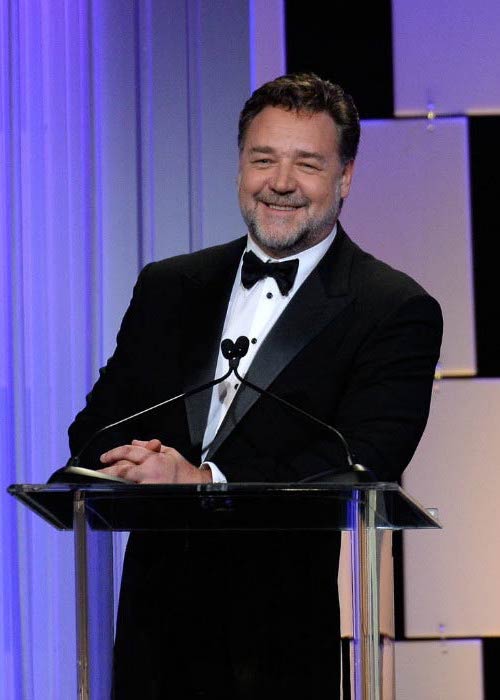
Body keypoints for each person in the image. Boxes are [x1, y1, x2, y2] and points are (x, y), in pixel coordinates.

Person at [68, 73, 443, 698]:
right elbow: (94, 430)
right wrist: (133, 461)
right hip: (150, 639)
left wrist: (206, 482)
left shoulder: (393, 306)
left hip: (278, 644)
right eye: (262, 159)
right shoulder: (169, 285)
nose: (280, 183)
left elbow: (361, 462)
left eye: (307, 164)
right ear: (240, 166)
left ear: (345, 177)